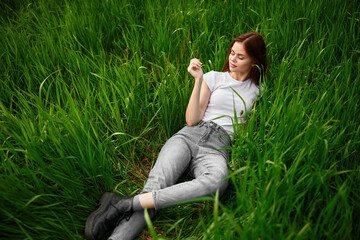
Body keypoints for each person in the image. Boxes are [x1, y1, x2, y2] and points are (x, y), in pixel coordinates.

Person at [85, 32, 267, 240]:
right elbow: (192, 119)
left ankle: (123, 204)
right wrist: (198, 81)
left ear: (255, 60)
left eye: (240, 57)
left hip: (218, 147)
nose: (232, 60)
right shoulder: (214, 77)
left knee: (217, 182)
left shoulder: (258, 90)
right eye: (232, 53)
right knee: (155, 186)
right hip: (189, 135)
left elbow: (250, 128)